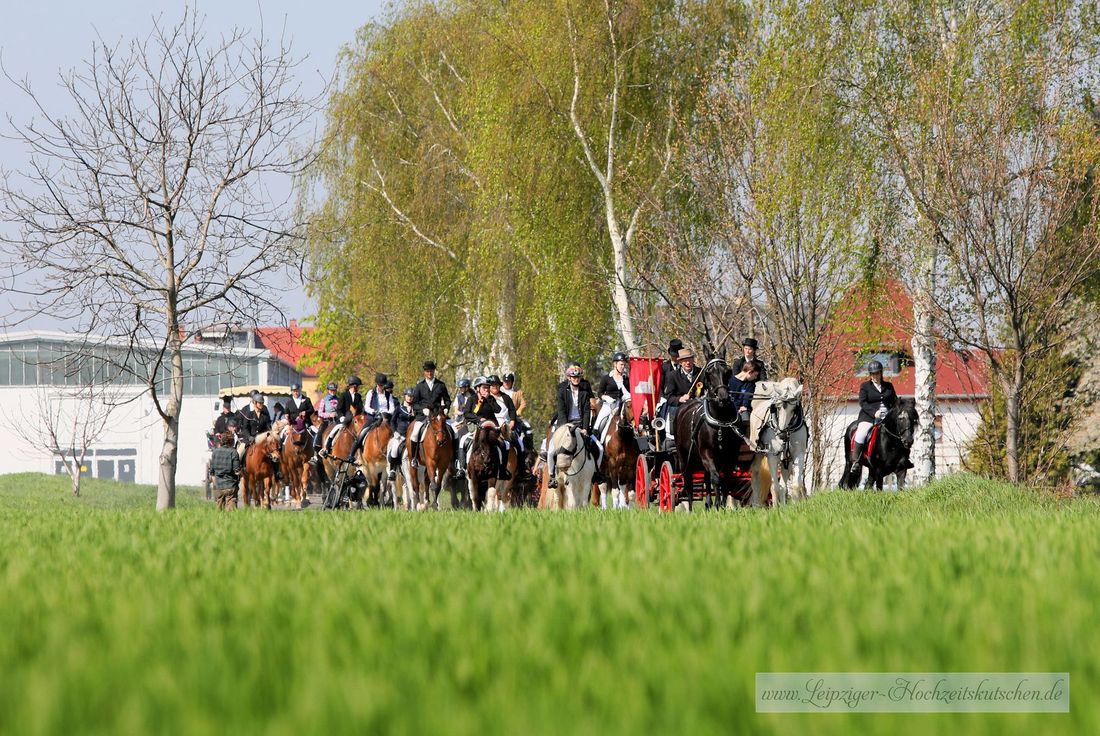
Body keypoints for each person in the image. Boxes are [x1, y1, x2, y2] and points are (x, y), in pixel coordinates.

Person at [546, 364, 603, 489]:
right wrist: (565, 427)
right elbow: (561, 411)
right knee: (550, 451)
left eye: (578, 377)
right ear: (569, 378)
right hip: (565, 424)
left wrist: (585, 428)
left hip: (580, 425)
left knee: (599, 448)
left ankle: (596, 473)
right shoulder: (562, 391)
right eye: (574, 377)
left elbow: (587, 411)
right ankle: (552, 477)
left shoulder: (584, 392)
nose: (576, 379)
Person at [456, 377, 511, 480]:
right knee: (463, 440)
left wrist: (489, 399)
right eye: (484, 388)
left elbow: (498, 410)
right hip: (476, 427)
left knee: (506, 444)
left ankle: (502, 470)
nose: (486, 390)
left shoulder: (490, 399)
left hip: (491, 429)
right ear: (478, 388)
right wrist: (478, 419)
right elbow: (467, 413)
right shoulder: (472, 399)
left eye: (487, 388)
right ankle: (461, 468)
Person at [850, 359, 899, 474]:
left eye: (877, 373)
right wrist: (874, 412)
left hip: (887, 418)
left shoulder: (888, 386)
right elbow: (863, 402)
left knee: (900, 432)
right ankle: (856, 462)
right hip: (869, 417)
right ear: (870, 375)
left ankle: (903, 458)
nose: (876, 376)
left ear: (881, 373)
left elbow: (894, 401)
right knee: (861, 433)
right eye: (873, 374)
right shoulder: (865, 386)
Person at [409, 360, 452, 464]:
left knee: (453, 432)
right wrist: (422, 410)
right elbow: (414, 404)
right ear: (424, 372)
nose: (429, 373)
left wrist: (446, 408)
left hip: (438, 415)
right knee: (414, 434)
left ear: (434, 371)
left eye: (431, 371)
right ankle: (414, 458)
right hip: (424, 416)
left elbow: (447, 400)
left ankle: (453, 459)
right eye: (427, 371)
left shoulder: (441, 385)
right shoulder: (419, 386)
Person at [662, 348, 703, 440]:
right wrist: (680, 399)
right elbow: (669, 397)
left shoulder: (701, 373)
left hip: (699, 408)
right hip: (682, 410)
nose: (687, 363)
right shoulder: (672, 376)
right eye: (684, 360)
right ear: (680, 362)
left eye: (689, 359)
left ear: (693, 360)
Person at [594, 352, 630, 443]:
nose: (623, 367)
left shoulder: (626, 379)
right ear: (615, 364)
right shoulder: (606, 378)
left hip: (621, 406)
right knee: (599, 424)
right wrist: (605, 397)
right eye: (621, 364)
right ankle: (595, 441)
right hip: (608, 406)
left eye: (624, 365)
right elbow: (599, 393)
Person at [388, 388, 417, 480]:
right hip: (400, 434)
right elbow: (392, 421)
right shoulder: (399, 408)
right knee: (395, 449)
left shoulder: (415, 409)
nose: (410, 398)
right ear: (405, 396)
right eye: (408, 396)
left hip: (412, 435)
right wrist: (395, 432)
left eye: (411, 397)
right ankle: (392, 470)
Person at [209, 431, 242, 510]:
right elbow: (237, 471)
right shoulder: (233, 452)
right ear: (232, 441)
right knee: (231, 514)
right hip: (231, 486)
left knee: (219, 513)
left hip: (219, 486)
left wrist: (216, 484)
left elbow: (212, 472)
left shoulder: (215, 452)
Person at [310, 382, 340, 463]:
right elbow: (320, 413)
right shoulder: (324, 400)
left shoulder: (339, 399)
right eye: (331, 390)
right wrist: (329, 414)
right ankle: (316, 455)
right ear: (328, 391)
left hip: (337, 421)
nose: (333, 392)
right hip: (327, 421)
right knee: (319, 433)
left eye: (334, 390)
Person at [728, 360, 760, 424]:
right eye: (755, 375)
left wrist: (744, 406)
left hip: (742, 411)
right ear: (750, 372)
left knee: (746, 420)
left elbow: (747, 398)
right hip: (729, 409)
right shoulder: (729, 380)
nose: (755, 378)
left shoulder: (751, 385)